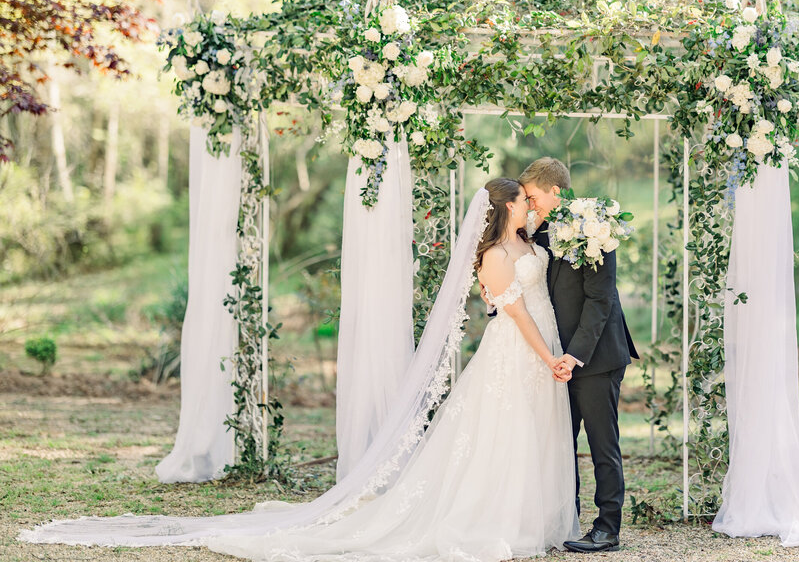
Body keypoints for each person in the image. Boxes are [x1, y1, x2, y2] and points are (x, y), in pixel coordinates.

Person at [21, 178, 579, 562]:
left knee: (529, 433)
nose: (532, 206)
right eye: (525, 200)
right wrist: (545, 353)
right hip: (519, 350)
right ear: (506, 206)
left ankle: (532, 520)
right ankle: (498, 520)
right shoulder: (496, 256)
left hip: (542, 351)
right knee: (499, 435)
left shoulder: (527, 242)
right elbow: (516, 311)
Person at [520, 157, 639, 554]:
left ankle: (608, 528)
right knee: (560, 443)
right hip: (554, 359)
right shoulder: (538, 234)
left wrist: (575, 356)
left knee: (603, 444)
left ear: (555, 190)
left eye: (534, 197)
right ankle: (565, 519)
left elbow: (600, 299)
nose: (531, 205)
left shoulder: (595, 225)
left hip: (596, 356)